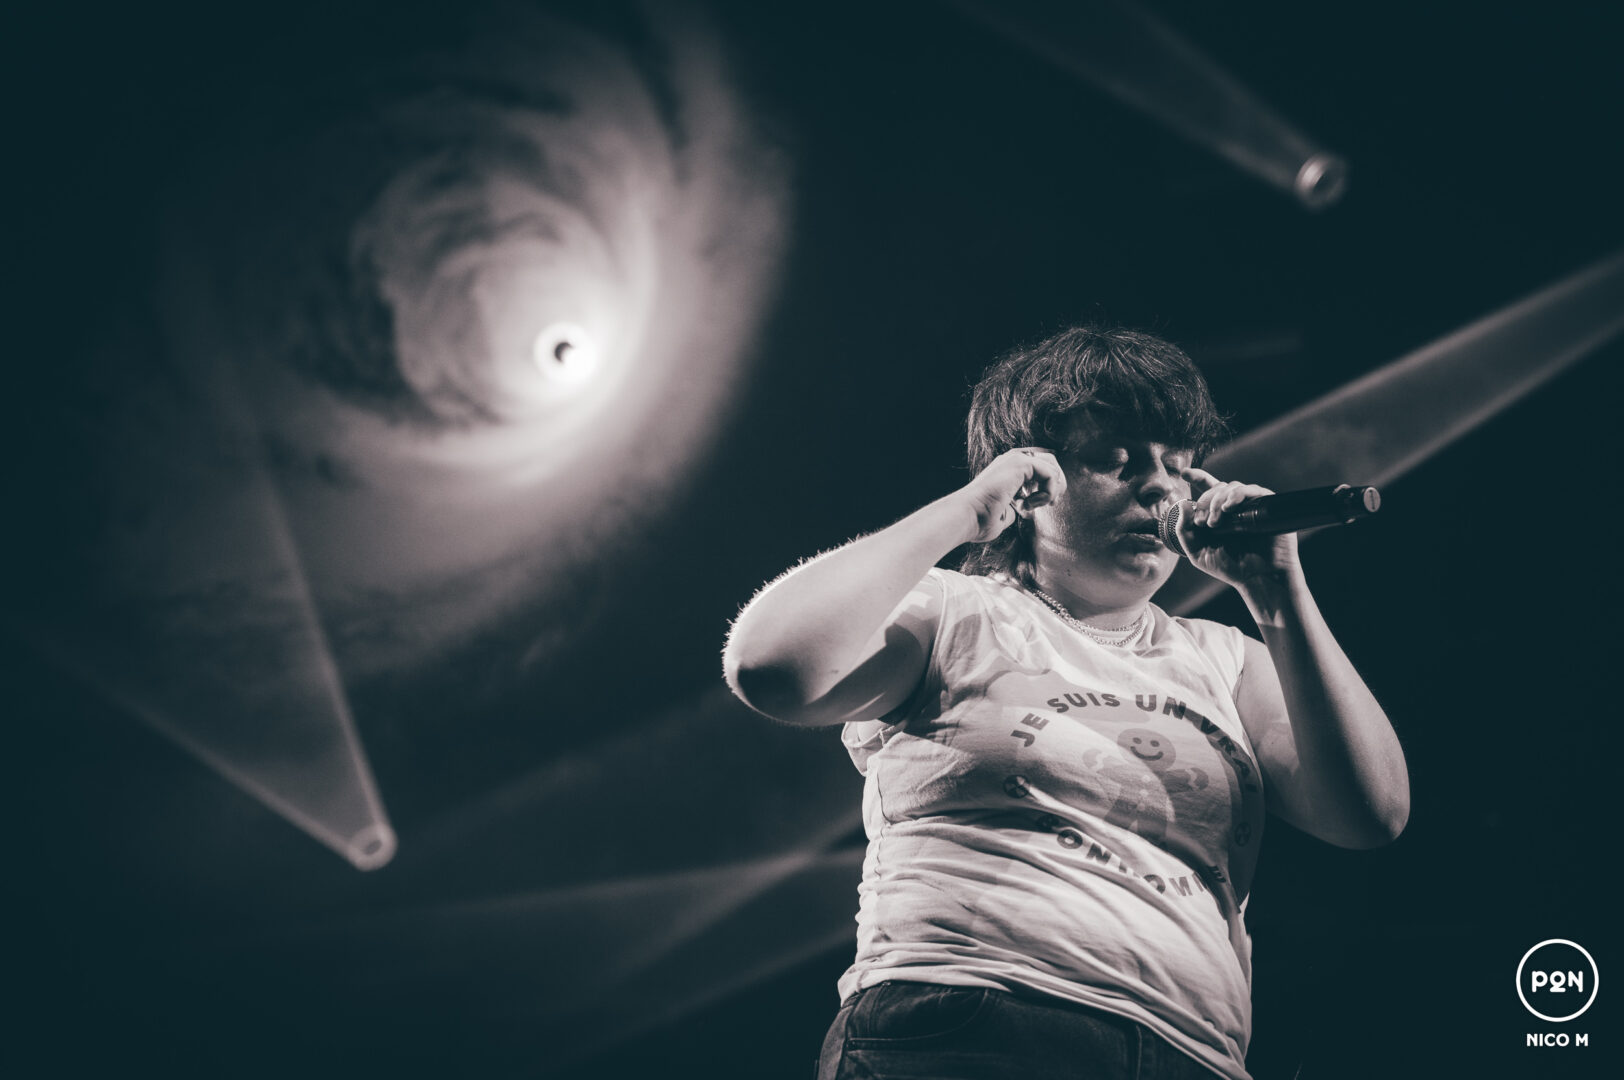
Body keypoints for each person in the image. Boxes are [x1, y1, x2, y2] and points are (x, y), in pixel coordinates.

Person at [722, 326, 1409, 1080]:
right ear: (1031, 479)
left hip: (1192, 1054)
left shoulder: (1226, 657)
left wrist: (1277, 588)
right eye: (1119, 460)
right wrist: (967, 511)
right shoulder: (955, 610)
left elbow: (1371, 812)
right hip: (976, 1023)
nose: (1161, 488)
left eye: (1177, 465)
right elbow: (771, 666)